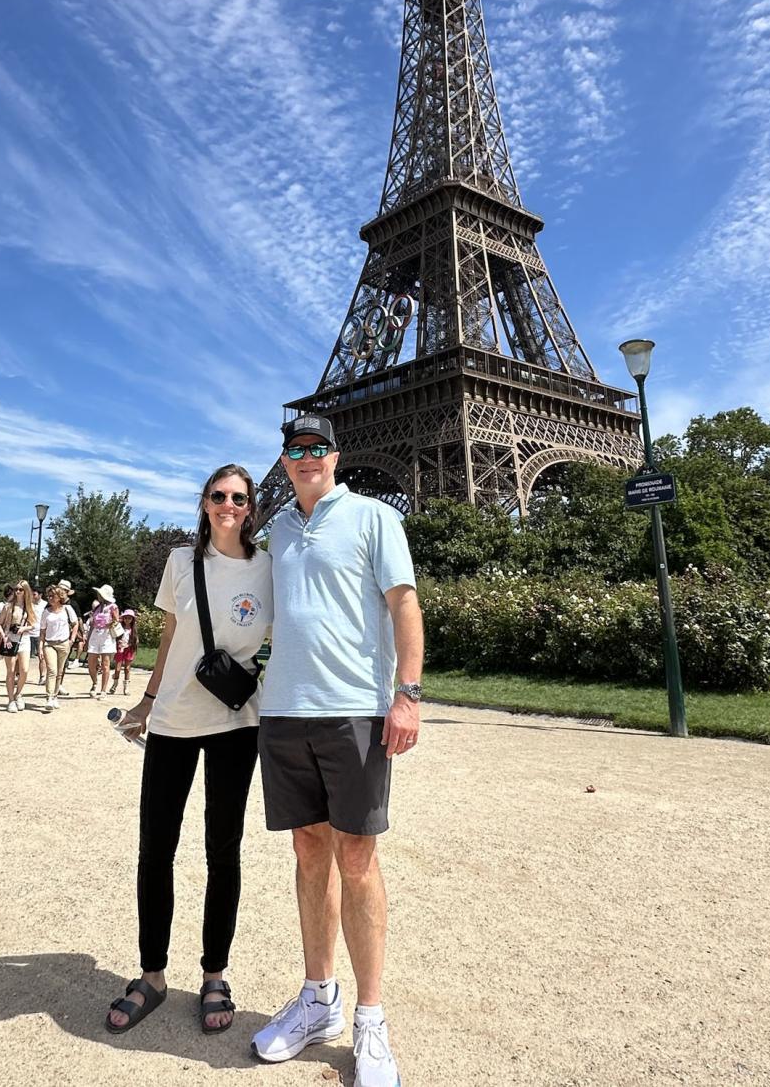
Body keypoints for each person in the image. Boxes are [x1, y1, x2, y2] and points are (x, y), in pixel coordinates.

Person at [252, 415, 423, 1087]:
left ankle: (371, 1018)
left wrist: (407, 694)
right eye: (294, 450)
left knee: (356, 854)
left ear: (336, 455)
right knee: (307, 849)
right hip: (286, 710)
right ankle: (319, 998)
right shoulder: (279, 530)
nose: (305, 458)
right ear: (285, 460)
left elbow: (405, 604)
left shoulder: (374, 517)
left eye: (317, 448)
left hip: (354, 708)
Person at [105, 464, 272, 1037]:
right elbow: (173, 634)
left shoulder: (267, 566)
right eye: (219, 495)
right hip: (175, 718)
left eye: (239, 497)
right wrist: (146, 702)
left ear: (251, 506)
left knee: (222, 850)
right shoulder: (180, 562)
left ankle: (214, 973)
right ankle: (152, 974)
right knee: (156, 848)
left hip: (235, 721)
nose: (229, 504)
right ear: (204, 502)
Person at [0, 579, 36, 712]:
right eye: (16, 589)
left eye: (20, 589)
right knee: (11, 671)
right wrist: (4, 636)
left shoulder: (29, 606)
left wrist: (24, 628)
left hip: (24, 639)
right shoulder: (8, 606)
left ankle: (18, 693)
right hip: (10, 639)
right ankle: (10, 700)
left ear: (26, 591)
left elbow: (33, 624)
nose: (18, 592)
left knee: (24, 670)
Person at [40, 584, 79, 710]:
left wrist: (71, 640)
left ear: (59, 597)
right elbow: (42, 631)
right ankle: (49, 697)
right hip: (49, 644)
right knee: (52, 670)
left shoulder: (67, 609)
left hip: (63, 643)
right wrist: (41, 646)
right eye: (49, 596)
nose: (50, 598)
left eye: (53, 596)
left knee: (59, 672)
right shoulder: (46, 612)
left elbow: (75, 624)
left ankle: (55, 695)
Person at [85, 585, 120, 698]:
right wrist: (88, 639)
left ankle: (103, 690)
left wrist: (109, 623)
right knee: (91, 661)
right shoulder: (97, 607)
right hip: (95, 634)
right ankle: (95, 682)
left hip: (107, 635)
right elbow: (92, 624)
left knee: (105, 663)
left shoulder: (112, 607)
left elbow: (117, 620)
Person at [109, 609, 138, 695]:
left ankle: (126, 687)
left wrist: (131, 644)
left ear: (132, 620)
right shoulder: (120, 627)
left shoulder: (133, 630)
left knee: (127, 668)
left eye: (129, 618)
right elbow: (115, 635)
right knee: (117, 668)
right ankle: (115, 684)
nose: (127, 620)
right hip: (120, 649)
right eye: (126, 618)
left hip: (129, 649)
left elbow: (136, 640)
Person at [28, 587, 47, 685]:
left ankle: (42, 676)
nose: (32, 596)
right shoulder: (29, 604)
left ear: (40, 595)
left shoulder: (45, 605)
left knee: (41, 656)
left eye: (34, 594)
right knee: (24, 656)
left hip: (39, 633)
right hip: (28, 633)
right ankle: (19, 675)